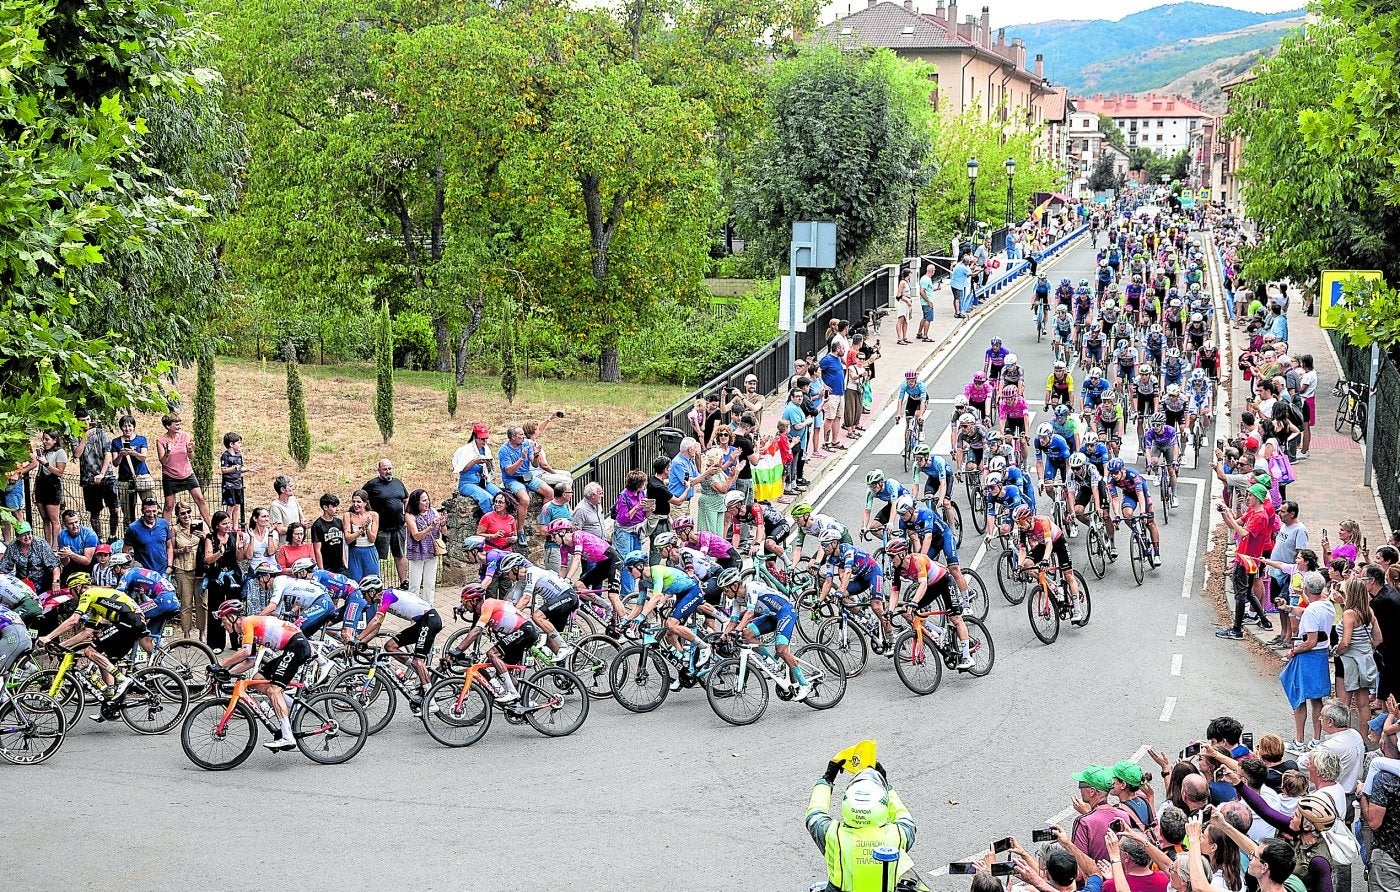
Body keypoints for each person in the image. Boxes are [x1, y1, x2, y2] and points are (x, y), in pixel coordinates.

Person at [805, 758, 919, 892]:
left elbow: (814, 813)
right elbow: (904, 817)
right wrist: (887, 787)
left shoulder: (833, 835)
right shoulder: (898, 835)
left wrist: (827, 779)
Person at [209, 599, 308, 750]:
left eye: (223, 620)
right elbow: (249, 661)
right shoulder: (248, 629)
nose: (222, 625)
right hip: (292, 647)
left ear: (232, 617)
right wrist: (228, 673)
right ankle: (293, 706)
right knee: (258, 679)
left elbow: (245, 652)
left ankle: (288, 737)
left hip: (297, 646)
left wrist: (221, 664)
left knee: (274, 690)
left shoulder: (247, 622)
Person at [1280, 572, 1333, 753]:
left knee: (1298, 697)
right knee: (1317, 699)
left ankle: (1299, 741)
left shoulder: (1312, 611)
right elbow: (1306, 612)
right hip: (1321, 656)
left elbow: (1310, 641)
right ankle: (1316, 740)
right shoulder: (1327, 605)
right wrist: (1288, 608)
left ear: (1305, 589)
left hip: (1307, 658)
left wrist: (1293, 651)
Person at [497, 430, 552, 547]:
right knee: (525, 499)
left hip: (527, 476)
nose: (523, 437)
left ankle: (544, 523)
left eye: (523, 434)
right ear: (512, 437)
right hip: (512, 480)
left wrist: (536, 455)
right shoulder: (504, 450)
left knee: (549, 492)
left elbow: (535, 464)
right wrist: (521, 459)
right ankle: (520, 530)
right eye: (520, 435)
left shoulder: (526, 444)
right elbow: (509, 471)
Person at [155, 413, 211, 526]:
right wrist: (167, 453)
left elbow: (191, 457)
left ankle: (211, 526)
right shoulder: (161, 440)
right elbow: (163, 461)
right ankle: (164, 533)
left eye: (180, 424)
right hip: (170, 476)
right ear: (168, 426)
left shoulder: (185, 436)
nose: (179, 427)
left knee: (200, 499)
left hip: (187, 473)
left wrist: (190, 450)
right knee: (168, 505)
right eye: (176, 424)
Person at [75, 408, 119, 540]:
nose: (87, 423)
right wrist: (85, 437)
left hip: (107, 477)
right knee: (95, 512)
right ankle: (99, 538)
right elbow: (77, 454)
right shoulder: (75, 435)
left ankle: (112, 535)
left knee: (114, 509)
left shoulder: (101, 433)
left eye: (88, 419)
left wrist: (102, 473)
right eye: (83, 421)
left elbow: (108, 454)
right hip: (88, 479)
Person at [364, 458, 410, 582]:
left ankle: (404, 582)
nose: (388, 471)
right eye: (385, 469)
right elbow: (362, 499)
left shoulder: (398, 483)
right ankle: (376, 583)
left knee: (400, 555)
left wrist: (405, 514)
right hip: (381, 528)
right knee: (376, 557)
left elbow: (406, 499)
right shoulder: (371, 485)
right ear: (379, 470)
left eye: (389, 468)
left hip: (398, 527)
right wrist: (369, 515)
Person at [202, 511, 243, 651]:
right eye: (224, 524)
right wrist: (219, 553)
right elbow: (207, 559)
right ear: (217, 525)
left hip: (233, 576)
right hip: (217, 576)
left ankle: (237, 641)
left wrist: (241, 548)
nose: (227, 526)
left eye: (229, 523)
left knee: (235, 607)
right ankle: (216, 643)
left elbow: (239, 557)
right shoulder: (210, 538)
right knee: (216, 607)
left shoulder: (234, 536)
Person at [404, 488, 445, 605]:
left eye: (427, 500)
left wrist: (442, 524)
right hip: (417, 552)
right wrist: (431, 527)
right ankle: (413, 610)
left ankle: (429, 609)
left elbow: (444, 532)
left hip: (431, 551)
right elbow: (416, 536)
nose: (427, 503)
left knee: (430, 584)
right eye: (423, 501)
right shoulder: (410, 516)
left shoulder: (433, 511)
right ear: (416, 502)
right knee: (414, 585)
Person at [110, 414, 151, 528]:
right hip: (124, 479)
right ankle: (129, 535)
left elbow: (143, 457)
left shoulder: (141, 439)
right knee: (127, 511)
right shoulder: (116, 442)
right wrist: (121, 455)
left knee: (149, 505)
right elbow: (115, 463)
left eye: (129, 425)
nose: (127, 428)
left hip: (141, 476)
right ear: (121, 427)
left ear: (134, 426)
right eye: (124, 426)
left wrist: (133, 453)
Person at [170, 504, 203, 638]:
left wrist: (204, 535)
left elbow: (209, 543)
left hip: (200, 569)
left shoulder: (199, 524)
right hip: (182, 568)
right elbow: (171, 550)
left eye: (188, 512)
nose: (186, 516)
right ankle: (186, 633)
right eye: (183, 513)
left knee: (202, 603)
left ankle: (202, 631)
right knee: (186, 603)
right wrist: (181, 551)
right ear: (178, 515)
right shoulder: (175, 529)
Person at [453, 424, 501, 514]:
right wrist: (474, 462)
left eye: (486, 438)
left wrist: (488, 464)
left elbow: (490, 469)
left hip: (482, 482)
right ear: (475, 437)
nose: (485, 441)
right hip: (467, 483)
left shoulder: (486, 449)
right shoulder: (466, 450)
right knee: (487, 499)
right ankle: (491, 521)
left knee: (500, 496)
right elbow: (461, 469)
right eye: (482, 439)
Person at [30, 431, 67, 547]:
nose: (44, 442)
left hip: (52, 487)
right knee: (45, 519)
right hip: (41, 486)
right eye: (44, 439)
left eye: (47, 439)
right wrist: (34, 489)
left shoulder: (60, 453)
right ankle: (47, 544)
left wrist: (46, 464)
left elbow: (59, 472)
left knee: (54, 520)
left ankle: (55, 546)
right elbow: (40, 472)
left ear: (54, 440)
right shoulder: (44, 452)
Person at [219, 431, 256, 528]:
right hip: (229, 485)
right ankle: (228, 525)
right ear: (231, 444)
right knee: (230, 506)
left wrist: (248, 469)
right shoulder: (225, 455)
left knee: (237, 506)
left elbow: (240, 468)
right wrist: (234, 468)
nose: (240, 445)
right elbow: (224, 470)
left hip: (237, 484)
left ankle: (235, 527)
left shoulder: (238, 455)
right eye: (238, 442)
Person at [126, 497, 172, 574]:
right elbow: (126, 550)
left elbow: (169, 546)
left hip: (164, 572)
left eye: (154, 511)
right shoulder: (133, 528)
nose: (151, 515)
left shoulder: (163, 524)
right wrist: (135, 566)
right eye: (148, 511)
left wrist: (169, 566)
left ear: (158, 510)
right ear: (142, 511)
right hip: (144, 573)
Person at [343, 489, 381, 582]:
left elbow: (372, 539)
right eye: (354, 501)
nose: (355, 504)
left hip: (369, 551)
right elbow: (348, 538)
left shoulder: (373, 515)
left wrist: (367, 529)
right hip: (355, 551)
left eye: (359, 502)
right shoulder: (348, 515)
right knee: (355, 581)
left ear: (365, 503)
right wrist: (361, 530)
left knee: (372, 579)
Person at [54, 508, 97, 586]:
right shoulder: (62, 536)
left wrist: (71, 554)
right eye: (71, 523)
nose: (75, 526)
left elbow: (87, 561)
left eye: (76, 522)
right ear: (65, 525)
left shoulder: (89, 534)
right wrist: (63, 555)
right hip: (73, 562)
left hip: (90, 564)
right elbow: (66, 564)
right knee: (64, 583)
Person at [310, 493, 347, 574]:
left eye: (337, 506)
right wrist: (321, 570)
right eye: (334, 507)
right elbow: (317, 550)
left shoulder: (339, 522)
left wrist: (345, 563)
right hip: (327, 567)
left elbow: (342, 544)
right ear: (325, 507)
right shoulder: (317, 525)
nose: (337, 509)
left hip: (340, 567)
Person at [239, 506, 279, 571]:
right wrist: (252, 538)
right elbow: (249, 556)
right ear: (255, 518)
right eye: (264, 516)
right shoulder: (248, 535)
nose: (267, 519)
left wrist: (270, 534)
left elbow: (271, 552)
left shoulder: (274, 533)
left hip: (271, 569)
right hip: (255, 570)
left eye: (267, 516)